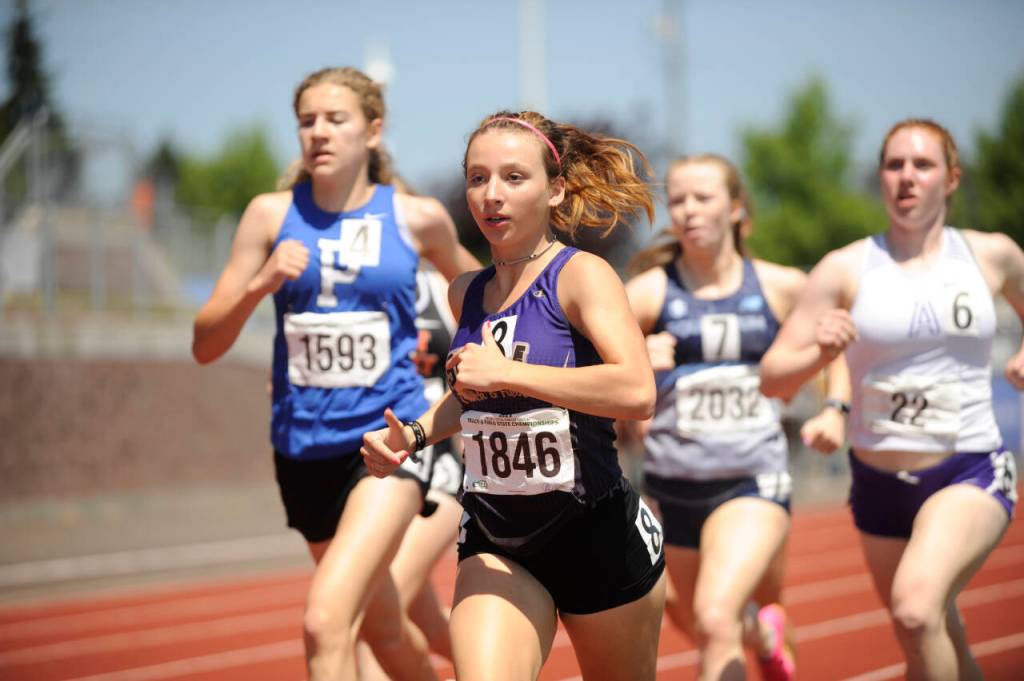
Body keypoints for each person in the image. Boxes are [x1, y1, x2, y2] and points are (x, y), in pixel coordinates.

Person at [191, 66, 478, 681]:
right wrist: (261, 283)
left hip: (385, 442)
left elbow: (484, 297)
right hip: (301, 449)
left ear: (372, 131)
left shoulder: (416, 218)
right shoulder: (269, 216)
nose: (318, 132)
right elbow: (205, 344)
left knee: (325, 623)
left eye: (335, 119)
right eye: (306, 121)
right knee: (382, 629)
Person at [362, 111, 667, 681]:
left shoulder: (581, 276)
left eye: (512, 178)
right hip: (496, 536)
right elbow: (475, 395)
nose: (491, 195)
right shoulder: (465, 293)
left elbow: (636, 389)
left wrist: (510, 372)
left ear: (555, 190)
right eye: (477, 178)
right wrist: (417, 434)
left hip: (596, 535)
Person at [760, 118, 1022, 680]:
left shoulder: (991, 255)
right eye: (894, 165)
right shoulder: (845, 267)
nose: (906, 178)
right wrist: (818, 354)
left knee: (914, 606)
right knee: (932, 631)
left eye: (922, 165)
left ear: (951, 179)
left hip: (967, 469)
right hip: (878, 485)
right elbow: (774, 377)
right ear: (881, 177)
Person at [622, 153, 849, 681]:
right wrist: (634, 357)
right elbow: (583, 346)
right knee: (696, 615)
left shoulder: (780, 285)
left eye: (703, 198)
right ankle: (763, 636)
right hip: (674, 485)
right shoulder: (653, 290)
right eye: (677, 199)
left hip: (752, 478)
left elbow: (837, 343)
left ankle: (751, 631)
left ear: (737, 208)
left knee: (716, 615)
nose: (688, 210)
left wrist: (835, 408)